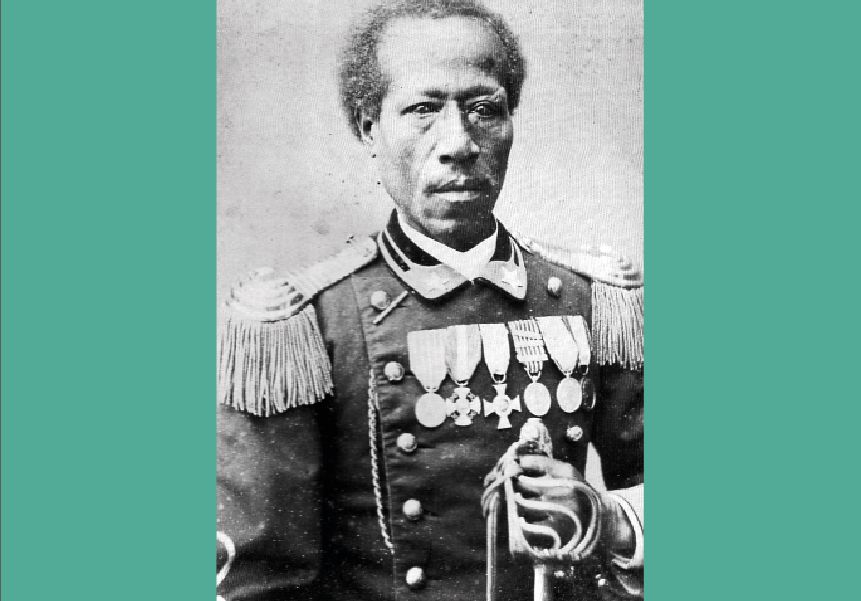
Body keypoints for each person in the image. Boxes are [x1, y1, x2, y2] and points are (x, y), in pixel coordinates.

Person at [216, 1, 644, 600]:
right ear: (370, 129)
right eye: (423, 110)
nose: (458, 143)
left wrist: (611, 519)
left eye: (484, 109)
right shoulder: (304, 326)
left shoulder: (595, 300)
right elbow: (260, 578)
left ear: (511, 122)